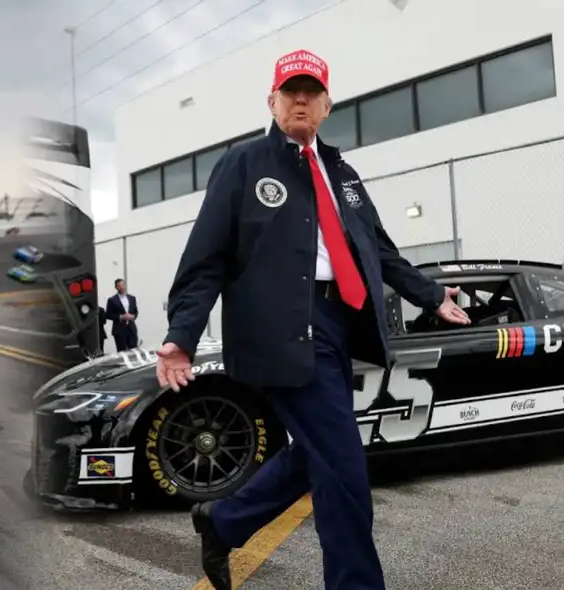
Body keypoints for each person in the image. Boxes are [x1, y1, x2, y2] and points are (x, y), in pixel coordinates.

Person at [154, 48, 470, 590]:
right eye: (290, 91)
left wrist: (431, 294)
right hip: (285, 326)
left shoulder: (343, 173)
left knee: (323, 452)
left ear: (326, 104)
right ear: (272, 101)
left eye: (311, 92)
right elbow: (205, 258)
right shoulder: (244, 164)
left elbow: (381, 249)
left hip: (340, 323)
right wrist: (181, 335)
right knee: (344, 471)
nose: (301, 100)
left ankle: (224, 520)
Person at [105, 278, 139, 351]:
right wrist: (120, 317)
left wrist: (133, 316)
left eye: (123, 285)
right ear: (116, 287)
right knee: (122, 351)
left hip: (131, 328)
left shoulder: (132, 298)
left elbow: (135, 312)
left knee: (133, 350)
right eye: (119, 286)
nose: (122, 287)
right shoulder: (112, 300)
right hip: (119, 329)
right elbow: (108, 315)